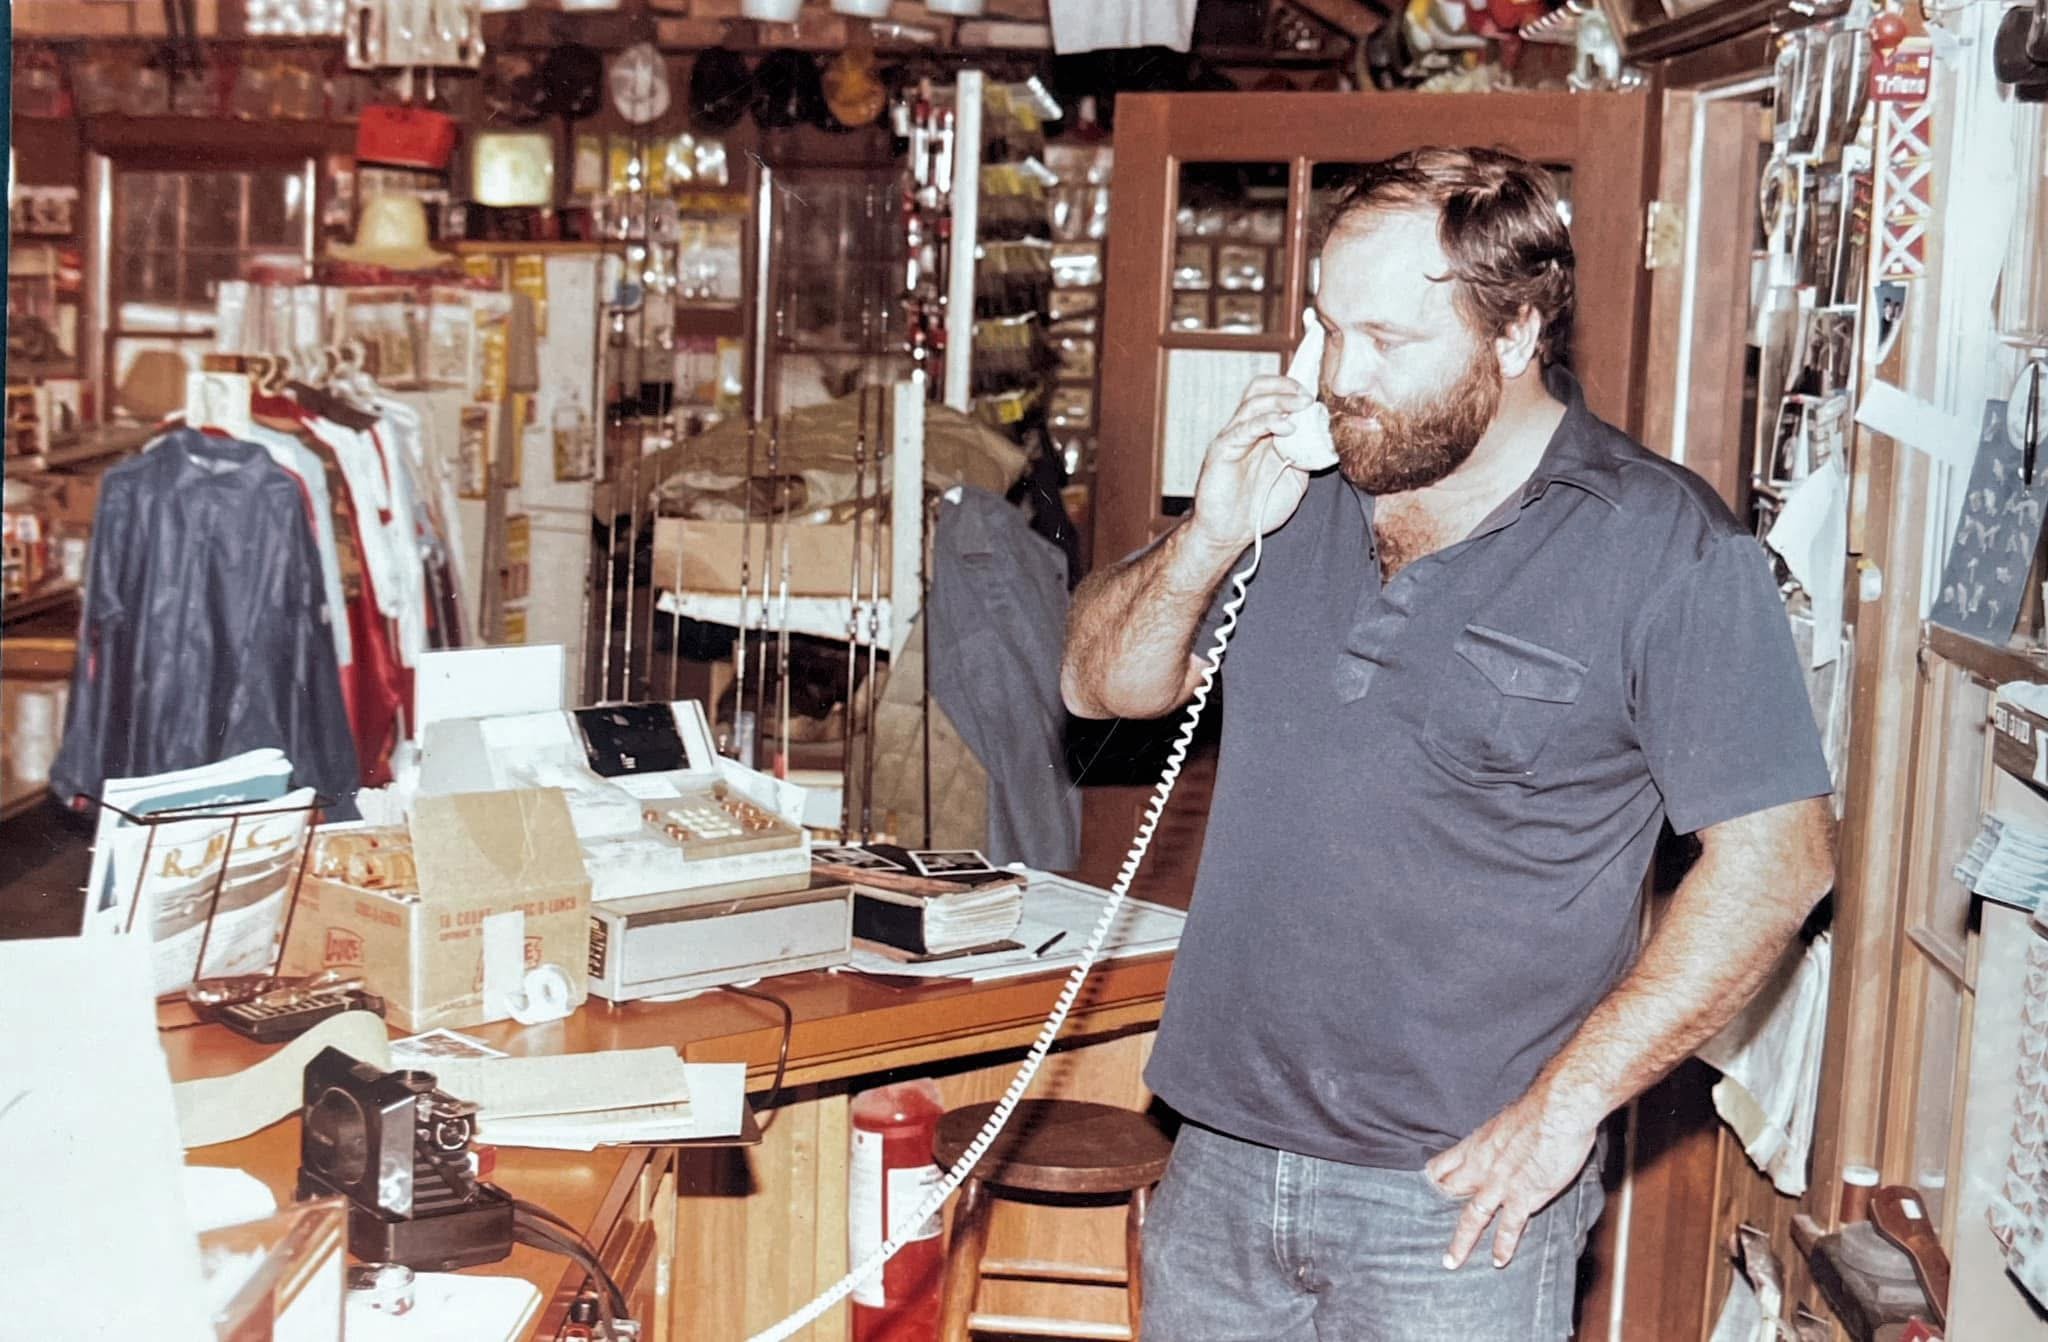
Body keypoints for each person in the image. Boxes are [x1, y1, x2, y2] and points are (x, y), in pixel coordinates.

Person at [1061, 147, 1836, 1340]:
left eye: (1384, 339)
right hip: (1217, 1151)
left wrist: (1565, 1106)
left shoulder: (1660, 545)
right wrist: (1209, 529)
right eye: (1323, 329)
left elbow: (1779, 860)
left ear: (1515, 331)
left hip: (1453, 1199)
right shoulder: (1294, 493)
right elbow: (1098, 684)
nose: (1338, 376)